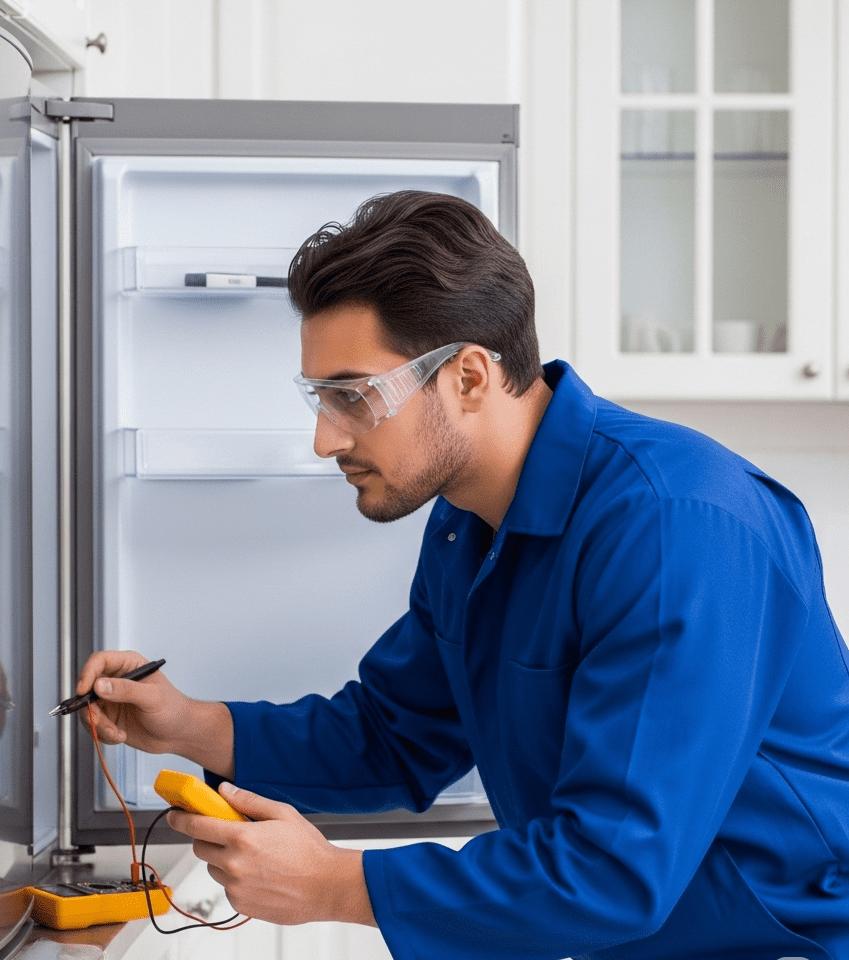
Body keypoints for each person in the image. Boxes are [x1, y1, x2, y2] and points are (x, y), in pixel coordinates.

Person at [77, 190, 849, 959]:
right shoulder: (467, 522)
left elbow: (616, 869)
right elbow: (395, 735)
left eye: (352, 396)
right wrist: (191, 726)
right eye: (319, 398)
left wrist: (341, 886)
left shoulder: (675, 525)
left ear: (470, 378)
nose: (323, 439)